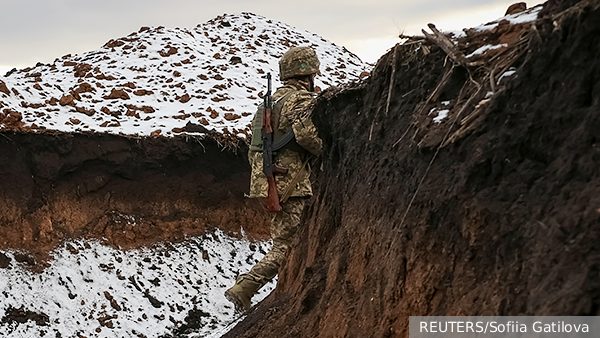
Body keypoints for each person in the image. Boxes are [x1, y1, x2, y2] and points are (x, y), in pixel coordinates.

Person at [224, 46, 323, 312]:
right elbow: (306, 136)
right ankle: (245, 287)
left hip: (268, 179)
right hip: (287, 181)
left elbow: (254, 147)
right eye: (314, 73)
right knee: (286, 244)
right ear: (308, 74)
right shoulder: (299, 100)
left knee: (286, 238)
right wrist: (325, 150)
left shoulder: (269, 104)